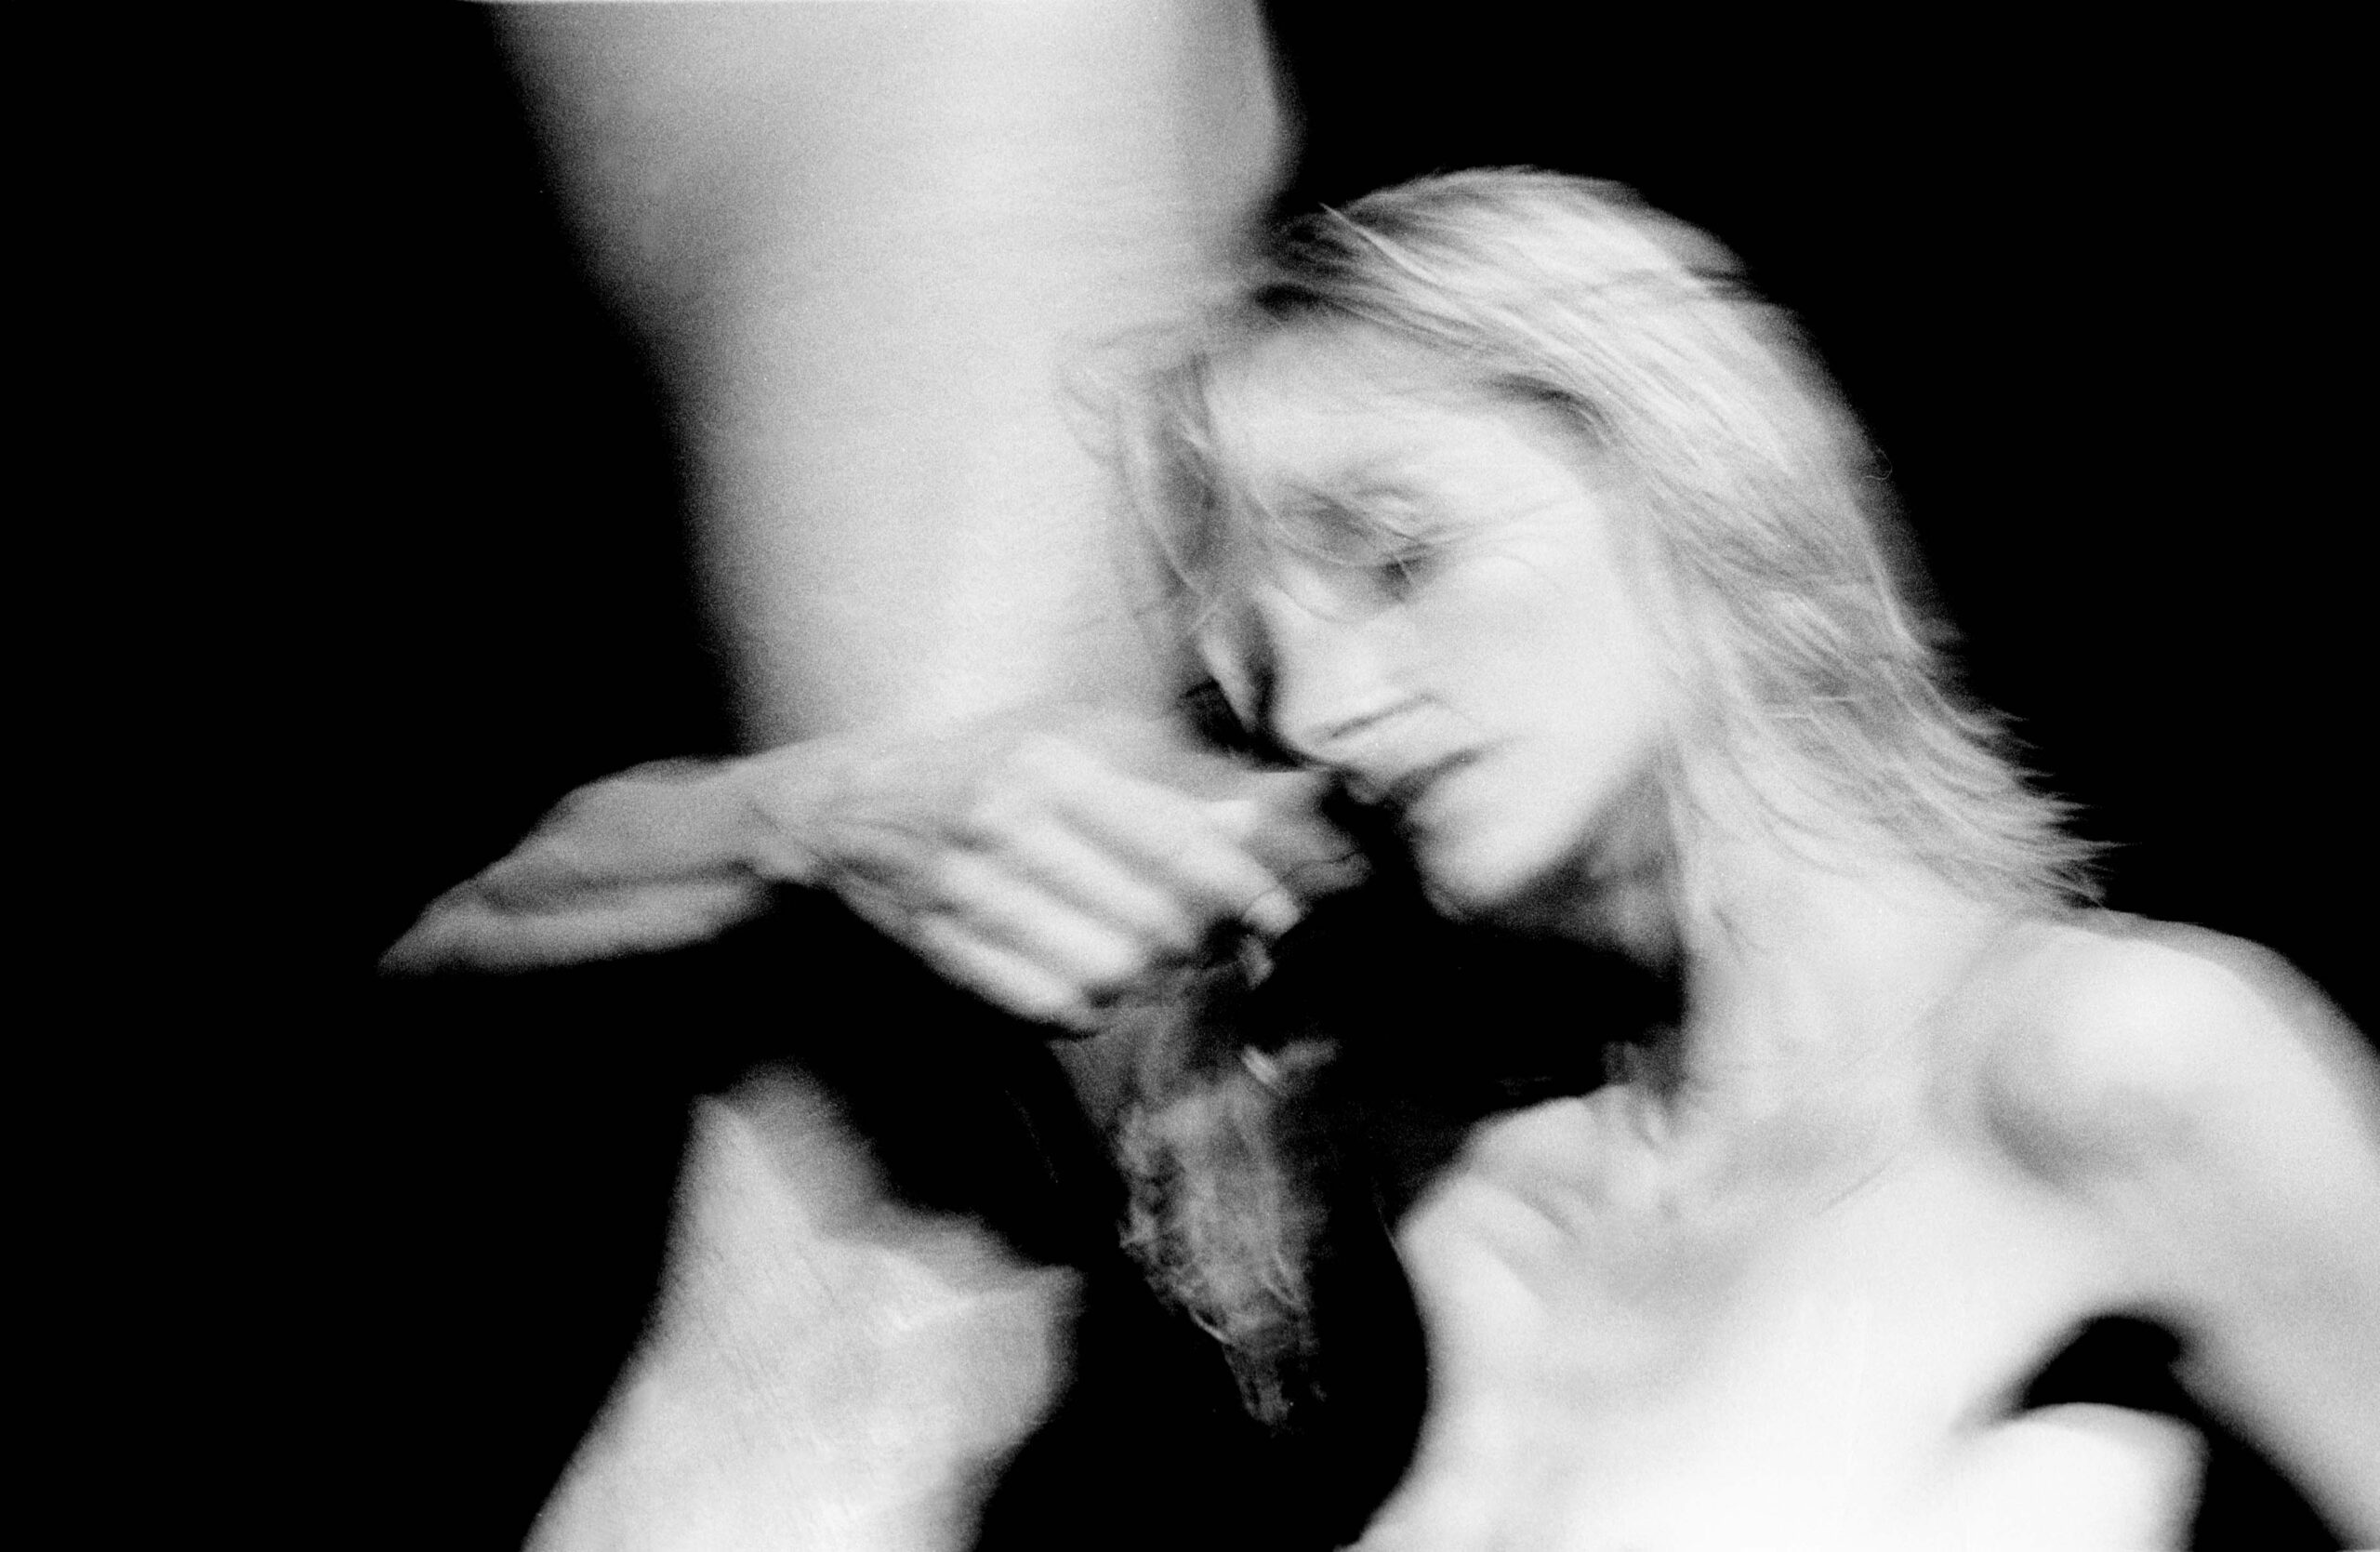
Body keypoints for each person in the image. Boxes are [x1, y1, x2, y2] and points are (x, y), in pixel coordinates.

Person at [403, 166, 2379, 1550]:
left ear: (1682, 477)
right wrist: (838, 809)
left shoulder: (2107, 1063)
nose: (1329, 709)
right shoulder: (1419, 1154)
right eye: (1258, 662)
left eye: (1402, 557)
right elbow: (463, 954)